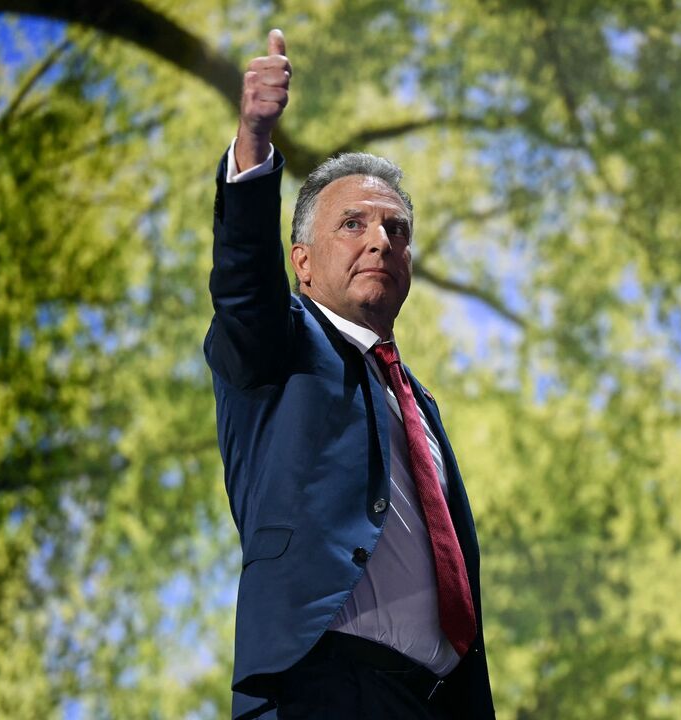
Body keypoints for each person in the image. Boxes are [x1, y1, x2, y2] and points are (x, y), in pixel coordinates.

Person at [204, 28, 495, 720]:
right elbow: (245, 283)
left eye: (396, 231)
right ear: (301, 262)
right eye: (354, 224)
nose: (380, 241)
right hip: (321, 690)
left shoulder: (418, 405)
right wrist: (253, 142)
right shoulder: (279, 345)